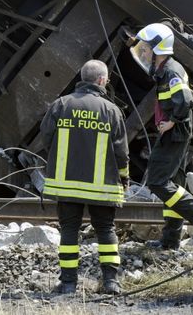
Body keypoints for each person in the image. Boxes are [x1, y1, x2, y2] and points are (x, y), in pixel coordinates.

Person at [38, 59, 130, 295]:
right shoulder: (111, 111)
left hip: (66, 184)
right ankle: (110, 282)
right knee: (106, 230)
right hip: (102, 187)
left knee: (69, 231)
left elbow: (45, 139)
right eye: (106, 80)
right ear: (101, 80)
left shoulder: (61, 105)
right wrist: (124, 179)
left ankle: (68, 283)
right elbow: (121, 153)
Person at [129, 22, 193, 250]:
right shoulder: (165, 70)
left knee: (157, 182)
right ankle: (170, 240)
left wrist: (171, 122)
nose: (144, 52)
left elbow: (186, 101)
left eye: (147, 48)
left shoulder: (171, 72)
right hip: (177, 133)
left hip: (175, 134)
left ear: (158, 49)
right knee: (174, 184)